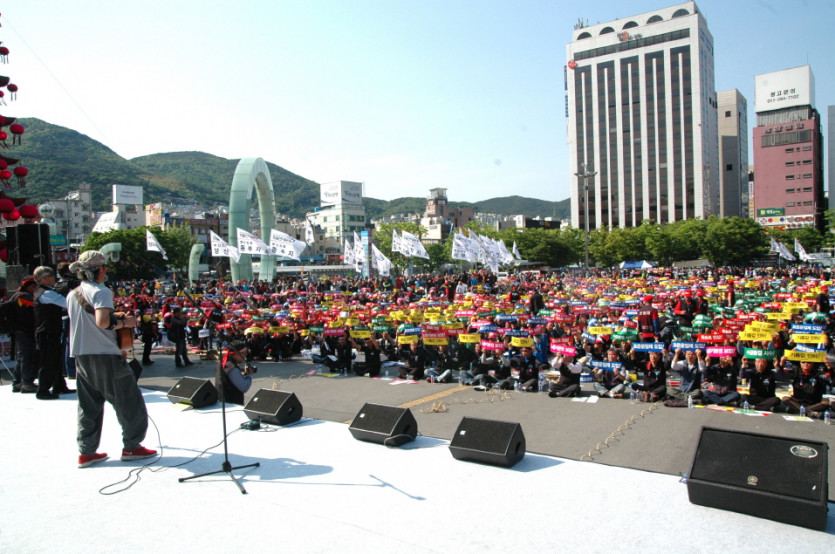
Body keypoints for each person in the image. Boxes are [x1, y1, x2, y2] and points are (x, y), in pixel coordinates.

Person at [67, 250, 156, 468]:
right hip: (105, 354)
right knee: (129, 401)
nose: (106, 270)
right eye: (104, 266)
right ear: (97, 269)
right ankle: (132, 446)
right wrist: (126, 323)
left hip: (81, 354)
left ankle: (86, 452)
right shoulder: (101, 291)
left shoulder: (73, 294)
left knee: (88, 405)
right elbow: (102, 322)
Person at [32, 266, 75, 400]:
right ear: (45, 279)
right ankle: (43, 390)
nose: (54, 279)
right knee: (48, 361)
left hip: (50, 330)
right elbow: (67, 303)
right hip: (47, 331)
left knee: (55, 360)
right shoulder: (46, 293)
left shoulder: (44, 291)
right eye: (51, 276)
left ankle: (59, 385)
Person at [9, 278, 38, 393]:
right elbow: (37, 305)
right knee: (27, 356)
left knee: (22, 357)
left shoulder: (17, 296)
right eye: (34, 286)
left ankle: (18, 382)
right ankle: (27, 383)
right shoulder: (23, 297)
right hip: (24, 331)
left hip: (21, 331)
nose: (35, 289)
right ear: (27, 287)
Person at [214, 340, 254, 406]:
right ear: (235, 354)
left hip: (221, 403)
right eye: (243, 353)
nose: (245, 356)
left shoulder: (221, 363)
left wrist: (241, 374)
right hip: (232, 405)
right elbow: (244, 387)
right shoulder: (232, 369)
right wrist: (249, 374)